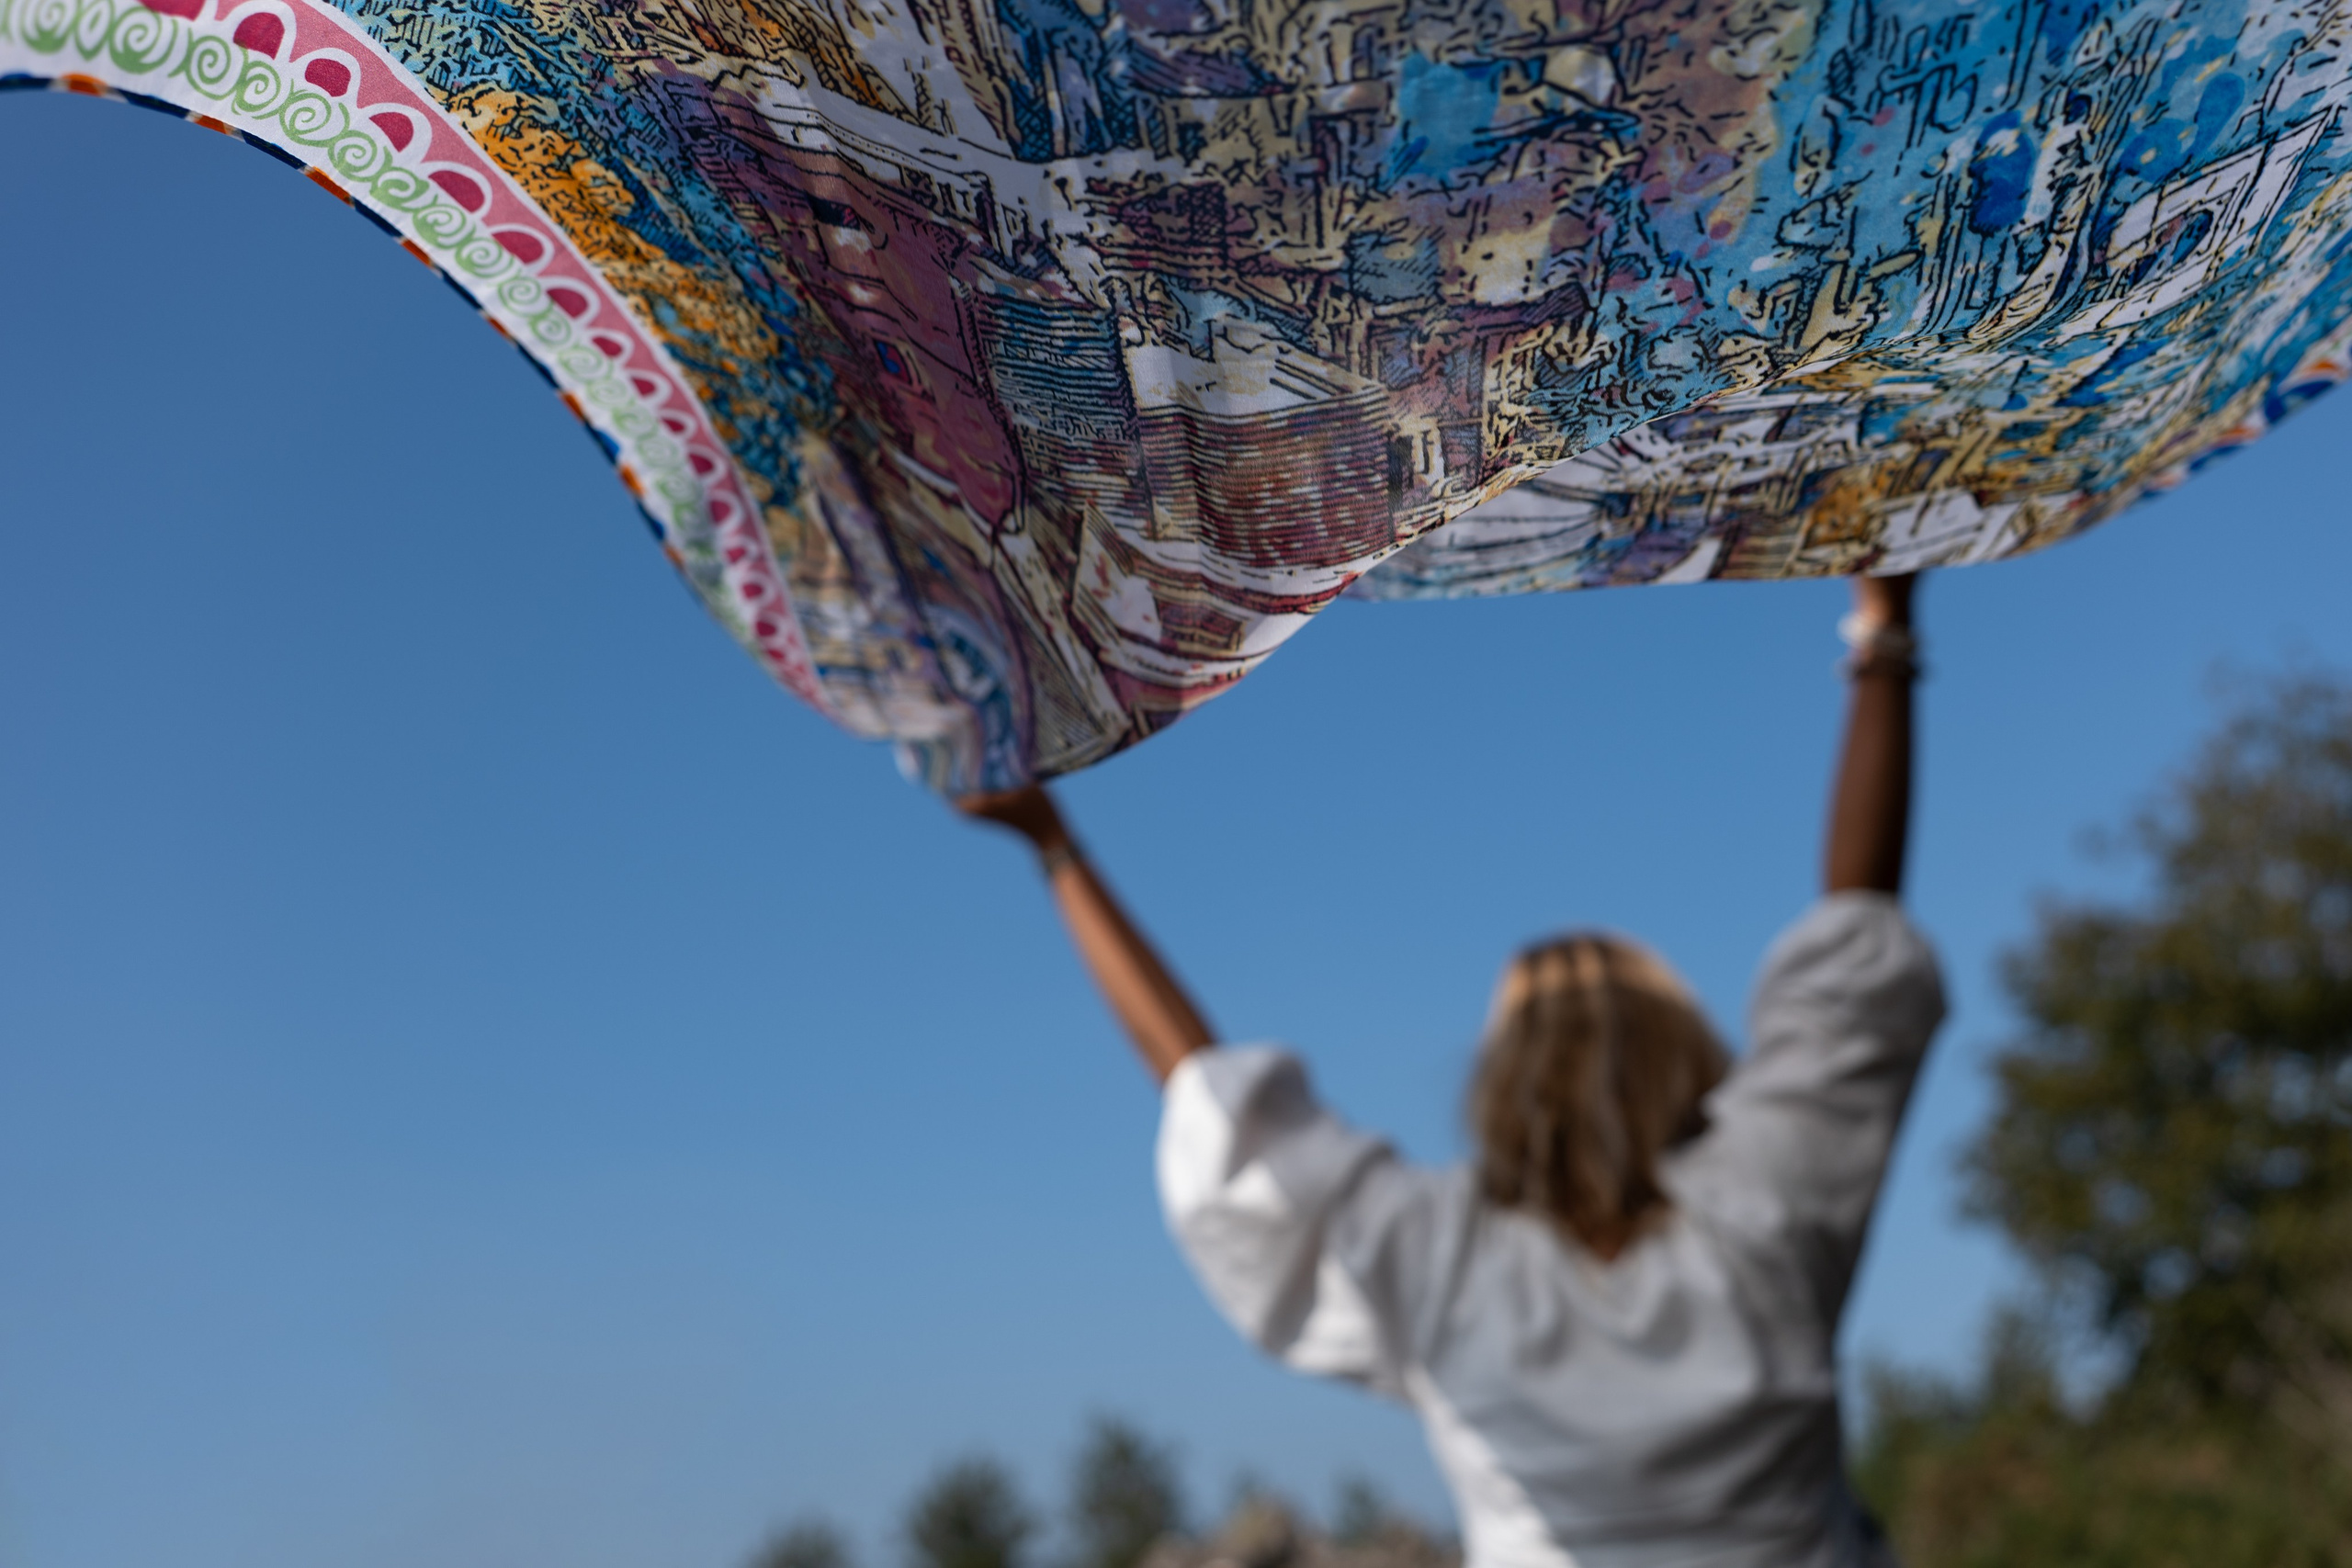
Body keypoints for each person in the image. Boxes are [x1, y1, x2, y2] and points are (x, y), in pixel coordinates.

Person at [957, 575, 1945, 1568]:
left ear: (1501, 1076)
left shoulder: (1438, 1258)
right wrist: (1885, 627)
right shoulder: (1766, 1205)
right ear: (1683, 1055)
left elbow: (1211, 1101)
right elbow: (1855, 933)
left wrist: (1056, 849)